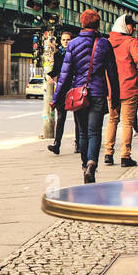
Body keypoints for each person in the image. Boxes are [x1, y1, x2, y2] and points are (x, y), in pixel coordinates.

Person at [51, 10, 119, 183]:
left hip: (79, 94)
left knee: (82, 132)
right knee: (94, 131)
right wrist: (115, 99)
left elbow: (64, 74)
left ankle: (84, 166)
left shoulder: (72, 44)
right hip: (97, 93)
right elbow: (112, 74)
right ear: (97, 24)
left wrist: (55, 98)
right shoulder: (104, 44)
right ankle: (91, 164)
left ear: (82, 23)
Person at [102, 14, 138, 168]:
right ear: (125, 26)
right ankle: (125, 156)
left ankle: (108, 154)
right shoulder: (131, 42)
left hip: (112, 88)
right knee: (127, 123)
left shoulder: (107, 42)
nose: (134, 28)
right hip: (128, 87)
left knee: (112, 120)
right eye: (131, 25)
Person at [46, 27, 77, 155]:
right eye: (64, 40)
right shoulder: (58, 54)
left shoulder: (76, 53)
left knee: (78, 118)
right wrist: (48, 75)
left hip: (74, 87)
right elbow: (56, 70)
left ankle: (79, 144)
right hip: (62, 89)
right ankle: (57, 144)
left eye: (68, 40)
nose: (66, 42)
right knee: (61, 117)